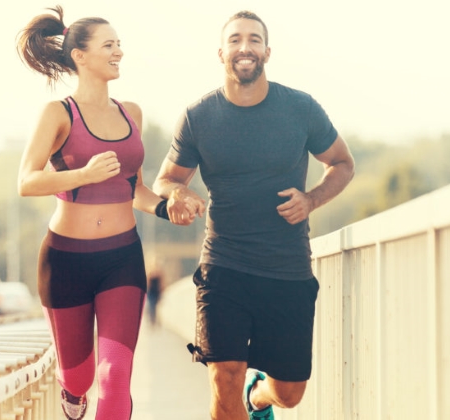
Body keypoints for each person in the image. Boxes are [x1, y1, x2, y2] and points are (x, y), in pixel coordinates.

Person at [152, 10, 355, 420]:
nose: (245, 47)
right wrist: (177, 194)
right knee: (223, 374)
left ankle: (257, 396)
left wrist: (311, 199)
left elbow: (342, 163)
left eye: (254, 40)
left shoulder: (300, 108)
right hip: (224, 266)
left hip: (287, 269)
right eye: (235, 40)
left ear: (267, 51)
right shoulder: (198, 117)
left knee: (291, 392)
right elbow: (164, 180)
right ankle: (239, 390)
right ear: (221, 52)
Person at [16, 6, 165, 420]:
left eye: (119, 44)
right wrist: (82, 173)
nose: (119, 52)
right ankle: (73, 394)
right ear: (80, 56)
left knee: (115, 374)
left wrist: (168, 207)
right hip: (65, 261)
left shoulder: (130, 113)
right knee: (79, 377)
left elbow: (134, 188)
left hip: (121, 258)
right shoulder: (58, 114)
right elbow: (26, 181)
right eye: (109, 45)